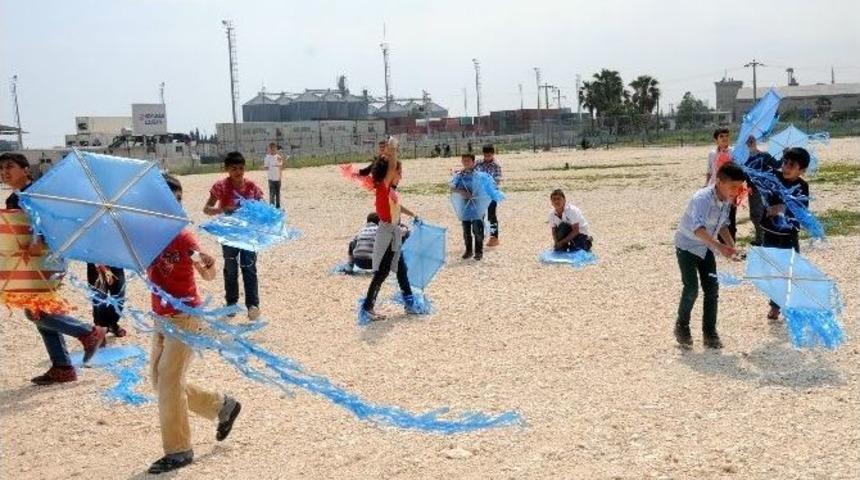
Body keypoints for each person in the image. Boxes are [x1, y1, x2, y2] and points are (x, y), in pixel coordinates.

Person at [147, 173, 242, 474]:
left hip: (186, 316)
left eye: (177, 201)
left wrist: (210, 265)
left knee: (169, 381)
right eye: (167, 200)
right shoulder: (145, 236)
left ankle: (179, 450)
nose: (173, 206)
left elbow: (207, 274)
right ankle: (221, 406)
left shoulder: (184, 237)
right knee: (159, 380)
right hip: (160, 316)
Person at [0, 152, 106, 385]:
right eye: (1, 168)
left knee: (36, 310)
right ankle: (62, 366)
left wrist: (41, 242)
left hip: (49, 258)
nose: (4, 171)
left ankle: (88, 333)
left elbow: (54, 221)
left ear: (26, 170)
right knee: (41, 309)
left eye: (10, 166)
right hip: (29, 260)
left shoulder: (39, 192)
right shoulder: (12, 200)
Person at [673, 162, 745, 350]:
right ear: (719, 182)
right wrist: (720, 247)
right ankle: (682, 327)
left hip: (707, 248)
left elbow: (723, 225)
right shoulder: (702, 198)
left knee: (712, 290)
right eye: (733, 187)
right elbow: (698, 229)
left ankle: (710, 332)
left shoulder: (727, 199)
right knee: (691, 288)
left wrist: (732, 247)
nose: (736, 192)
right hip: (687, 246)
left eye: (739, 188)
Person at [357, 138, 419, 321]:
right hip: (387, 234)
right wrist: (393, 149)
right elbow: (391, 166)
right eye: (399, 172)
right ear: (391, 173)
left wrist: (413, 214)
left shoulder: (388, 190)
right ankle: (368, 307)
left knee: (401, 270)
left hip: (393, 234)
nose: (401, 175)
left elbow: (396, 207)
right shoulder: (384, 187)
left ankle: (409, 304)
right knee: (382, 272)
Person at [203, 152, 264, 321]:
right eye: (234, 168)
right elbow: (206, 209)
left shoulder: (252, 186)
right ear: (227, 169)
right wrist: (223, 209)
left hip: (248, 235)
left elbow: (262, 207)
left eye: (241, 168)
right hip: (228, 235)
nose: (238, 172)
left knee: (249, 268)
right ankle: (231, 304)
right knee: (230, 269)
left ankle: (253, 305)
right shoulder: (220, 186)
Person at [760, 147, 811, 321]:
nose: (786, 167)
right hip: (770, 232)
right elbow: (760, 168)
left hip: (789, 235)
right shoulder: (773, 178)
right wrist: (753, 150)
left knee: (789, 272)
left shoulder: (803, 186)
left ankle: (780, 306)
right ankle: (775, 303)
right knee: (773, 271)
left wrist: (783, 208)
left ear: (802, 170)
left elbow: (801, 210)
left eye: (792, 165)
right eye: (785, 163)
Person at [744, 136, 781, 246]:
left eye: (752, 140)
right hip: (752, 189)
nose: (750, 142)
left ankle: (763, 239)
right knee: (755, 215)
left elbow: (777, 165)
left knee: (759, 214)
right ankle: (762, 238)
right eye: (748, 140)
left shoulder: (764, 155)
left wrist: (785, 153)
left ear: (755, 141)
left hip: (764, 189)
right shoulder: (743, 158)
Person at [450, 154, 485, 260]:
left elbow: (486, 188)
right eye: (464, 161)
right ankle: (468, 251)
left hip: (477, 204)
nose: (466, 162)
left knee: (477, 229)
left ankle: (479, 252)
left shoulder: (480, 175)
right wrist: (461, 191)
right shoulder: (459, 175)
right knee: (466, 230)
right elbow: (452, 187)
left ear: (473, 162)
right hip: (464, 205)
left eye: (468, 161)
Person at [706, 128, 737, 242]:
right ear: (716, 139)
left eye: (727, 136)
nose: (724, 138)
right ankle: (720, 242)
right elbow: (709, 171)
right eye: (721, 136)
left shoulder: (734, 152)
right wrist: (706, 185)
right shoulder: (712, 154)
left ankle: (731, 244)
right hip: (715, 189)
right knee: (716, 216)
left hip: (730, 189)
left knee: (730, 216)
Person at [86, 263, 127, 337]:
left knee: (119, 292)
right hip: (95, 256)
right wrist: (99, 264)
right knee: (98, 294)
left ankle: (112, 323)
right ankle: (100, 326)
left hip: (114, 257)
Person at [476, 144, 502, 247]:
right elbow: (471, 171)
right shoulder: (478, 163)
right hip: (480, 194)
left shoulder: (496, 165)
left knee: (492, 216)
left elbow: (497, 180)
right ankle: (481, 235)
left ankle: (494, 237)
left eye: (489, 155)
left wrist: (487, 182)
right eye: (486, 155)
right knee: (480, 215)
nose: (487, 157)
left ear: (493, 154)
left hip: (491, 194)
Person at [262, 142, 285, 208]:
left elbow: (281, 167)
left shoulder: (278, 157)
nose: (272, 149)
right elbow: (266, 167)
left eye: (274, 148)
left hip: (278, 178)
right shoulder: (267, 157)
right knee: (272, 194)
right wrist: (265, 167)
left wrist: (280, 176)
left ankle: (278, 207)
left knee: (278, 194)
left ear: (276, 148)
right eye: (271, 148)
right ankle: (272, 207)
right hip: (271, 179)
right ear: (269, 149)